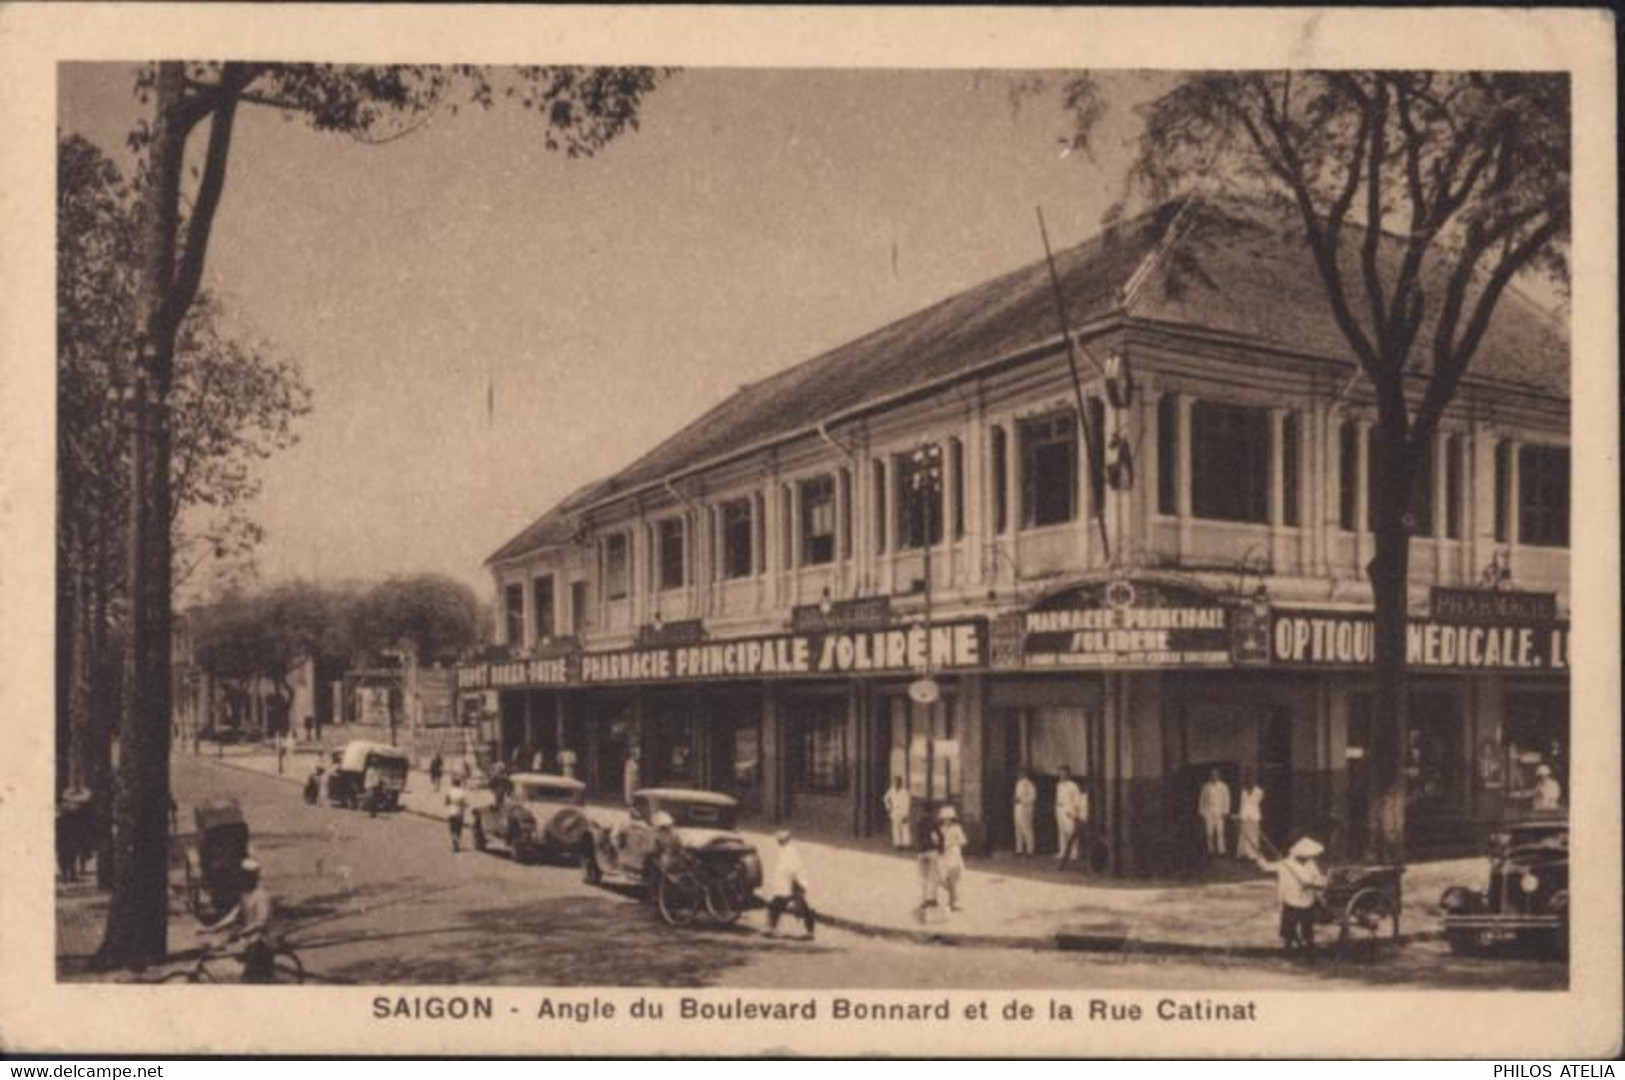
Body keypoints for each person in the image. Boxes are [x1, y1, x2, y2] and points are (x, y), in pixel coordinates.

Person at [201, 858, 275, 983]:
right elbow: (232, 916)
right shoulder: (245, 894)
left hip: (261, 946)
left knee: (251, 983)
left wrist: (240, 933)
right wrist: (210, 929)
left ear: (253, 877)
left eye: (245, 876)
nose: (241, 879)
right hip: (249, 944)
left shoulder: (262, 896)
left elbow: (260, 923)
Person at [1255, 837, 1327, 954]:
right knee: (1289, 923)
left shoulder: (1311, 864)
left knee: (1307, 924)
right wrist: (1259, 857)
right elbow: (1266, 867)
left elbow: (1317, 878)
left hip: (1306, 899)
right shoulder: (1286, 864)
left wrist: (1315, 885)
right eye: (1306, 855)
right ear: (1299, 854)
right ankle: (1288, 945)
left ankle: (1308, 944)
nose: (1308, 857)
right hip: (1291, 898)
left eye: (1309, 855)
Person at [764, 828, 816, 939]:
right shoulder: (784, 850)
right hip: (787, 883)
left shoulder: (790, 851)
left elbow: (794, 869)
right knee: (778, 904)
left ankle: (809, 932)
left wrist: (796, 883)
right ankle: (771, 928)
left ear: (786, 840)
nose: (779, 841)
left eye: (781, 839)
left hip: (793, 883)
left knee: (800, 907)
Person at [936, 805, 968, 912]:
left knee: (953, 880)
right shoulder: (941, 829)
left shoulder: (957, 828)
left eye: (947, 818)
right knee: (943, 879)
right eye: (943, 819)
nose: (945, 821)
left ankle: (953, 902)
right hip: (945, 855)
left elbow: (963, 841)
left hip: (954, 854)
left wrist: (952, 843)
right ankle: (952, 901)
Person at [914, 803, 942, 921]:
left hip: (921, 852)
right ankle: (933, 899)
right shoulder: (934, 823)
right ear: (932, 812)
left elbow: (916, 837)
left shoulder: (919, 823)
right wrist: (940, 847)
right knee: (934, 876)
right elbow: (938, 837)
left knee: (923, 878)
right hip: (931, 851)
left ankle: (924, 899)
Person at [1054, 766, 1085, 867]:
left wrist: (1073, 812)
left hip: (1068, 809)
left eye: (1064, 773)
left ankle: (1074, 853)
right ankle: (1062, 852)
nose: (1062, 775)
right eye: (1060, 773)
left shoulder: (1073, 786)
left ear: (1068, 774)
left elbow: (1077, 800)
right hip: (1059, 807)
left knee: (1070, 831)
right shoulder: (1059, 785)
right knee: (1061, 831)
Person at [1199, 768, 1231, 856]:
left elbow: (1227, 799)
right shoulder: (1206, 786)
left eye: (1216, 775)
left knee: (1220, 831)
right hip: (1208, 811)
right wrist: (1201, 811)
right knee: (1209, 832)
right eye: (1212, 775)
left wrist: (1226, 811)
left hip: (1220, 811)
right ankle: (1211, 850)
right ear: (1210, 776)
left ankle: (1221, 850)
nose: (1214, 776)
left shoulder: (1224, 786)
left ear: (1219, 775)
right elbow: (1202, 799)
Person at [1236, 776, 1265, 861]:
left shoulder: (1259, 791)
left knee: (1254, 835)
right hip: (1245, 815)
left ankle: (1253, 853)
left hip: (1254, 815)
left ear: (1255, 782)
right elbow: (1242, 804)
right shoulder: (1243, 791)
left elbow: (1256, 803)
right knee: (1244, 834)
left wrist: (1251, 814)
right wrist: (1240, 815)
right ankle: (1244, 853)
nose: (1250, 783)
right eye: (1248, 781)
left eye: (1252, 781)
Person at [883, 776, 912, 849]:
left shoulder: (904, 791)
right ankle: (897, 844)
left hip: (903, 811)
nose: (896, 783)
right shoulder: (891, 790)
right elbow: (885, 798)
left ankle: (906, 844)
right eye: (895, 782)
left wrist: (906, 814)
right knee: (895, 828)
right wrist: (889, 808)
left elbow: (907, 803)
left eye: (898, 782)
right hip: (895, 811)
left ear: (901, 783)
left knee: (904, 828)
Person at [1013, 771, 1037, 856]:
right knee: (1018, 828)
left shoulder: (1029, 784)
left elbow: (1033, 797)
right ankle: (1019, 849)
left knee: (1027, 828)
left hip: (1026, 808)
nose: (1019, 774)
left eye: (1021, 772)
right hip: (1018, 807)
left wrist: (1022, 801)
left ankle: (1030, 850)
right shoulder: (1018, 783)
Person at [445, 776, 468, 853]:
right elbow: (464, 803)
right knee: (458, 829)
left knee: (452, 829)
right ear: (459, 784)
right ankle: (457, 843)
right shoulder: (462, 792)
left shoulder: (450, 792)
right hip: (460, 813)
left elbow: (446, 802)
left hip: (451, 812)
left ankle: (454, 843)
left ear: (453, 783)